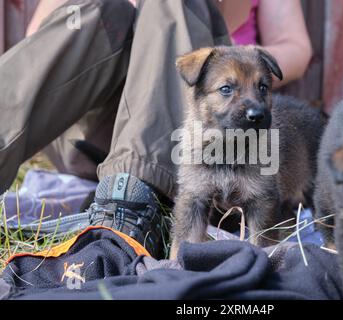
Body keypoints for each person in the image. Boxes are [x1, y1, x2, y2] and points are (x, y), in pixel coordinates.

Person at [0, 0, 312, 257]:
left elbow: (296, 48)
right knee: (106, 10)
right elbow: (43, 39)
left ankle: (127, 209)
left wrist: (234, 62)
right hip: (90, 130)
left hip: (189, 139)